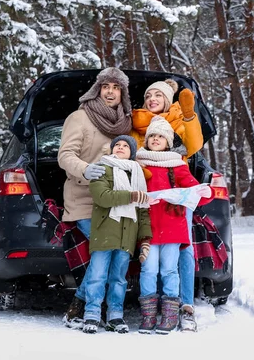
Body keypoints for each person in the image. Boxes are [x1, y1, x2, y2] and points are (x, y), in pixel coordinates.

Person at [58, 67, 133, 329]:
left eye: (116, 87)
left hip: (117, 200)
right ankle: (91, 308)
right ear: (97, 89)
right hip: (84, 197)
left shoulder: (125, 121)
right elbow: (65, 155)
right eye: (106, 86)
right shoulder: (80, 118)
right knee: (108, 249)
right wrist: (85, 169)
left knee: (112, 251)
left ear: (122, 93)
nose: (111, 92)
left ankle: (84, 304)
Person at [131, 78, 203, 332]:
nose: (153, 99)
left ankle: (182, 307)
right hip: (148, 214)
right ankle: (150, 312)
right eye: (148, 95)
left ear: (167, 99)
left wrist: (189, 116)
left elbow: (194, 145)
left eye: (158, 95)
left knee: (180, 255)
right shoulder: (134, 126)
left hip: (172, 209)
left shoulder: (177, 123)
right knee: (149, 267)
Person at [80, 135, 154, 334]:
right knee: (97, 276)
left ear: (132, 152)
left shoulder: (137, 175)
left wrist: (145, 239)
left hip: (127, 235)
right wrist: (131, 196)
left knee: (119, 279)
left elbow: (143, 210)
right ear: (112, 149)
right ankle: (92, 314)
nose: (120, 147)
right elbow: (102, 197)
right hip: (104, 232)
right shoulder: (102, 169)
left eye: (125, 146)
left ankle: (115, 316)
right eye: (117, 145)